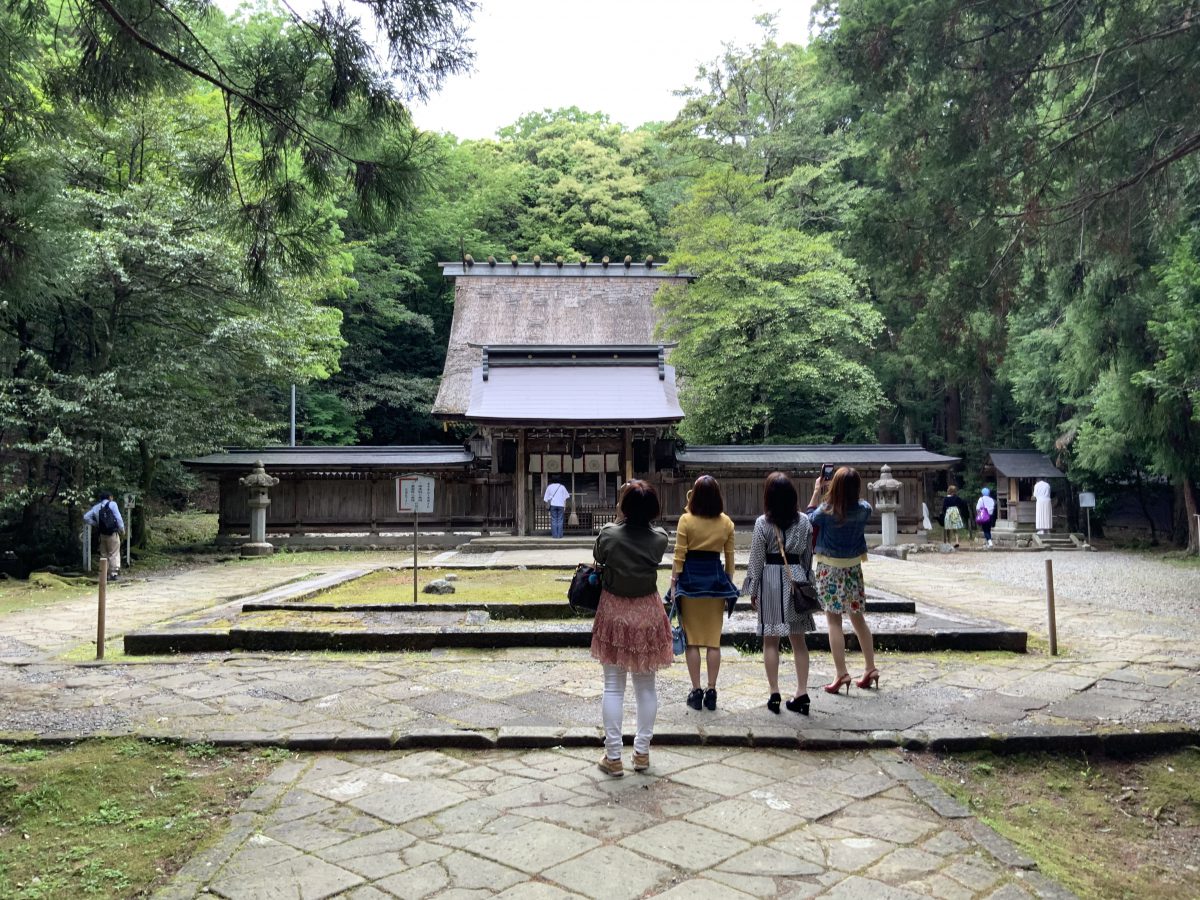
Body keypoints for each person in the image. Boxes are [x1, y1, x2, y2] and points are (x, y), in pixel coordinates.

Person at [590, 480, 672, 777]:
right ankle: (641, 753)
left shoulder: (609, 535)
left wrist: (616, 517)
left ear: (623, 507)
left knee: (613, 687)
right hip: (647, 613)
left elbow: (600, 555)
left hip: (614, 611)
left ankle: (613, 756)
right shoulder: (659, 539)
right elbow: (654, 532)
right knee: (646, 687)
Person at [744, 472, 815, 715]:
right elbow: (808, 557)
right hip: (796, 578)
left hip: (771, 580)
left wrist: (752, 590)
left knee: (770, 640)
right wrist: (806, 582)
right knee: (799, 641)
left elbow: (756, 559)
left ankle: (774, 692)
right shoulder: (805, 521)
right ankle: (802, 692)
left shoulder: (762, 523)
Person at [807, 467, 878, 694]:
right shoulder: (864, 510)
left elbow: (808, 520)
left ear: (834, 486)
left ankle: (841, 673)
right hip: (853, 569)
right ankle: (870, 668)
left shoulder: (826, 511)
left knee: (834, 623)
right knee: (859, 620)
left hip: (830, 569)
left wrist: (818, 491)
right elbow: (860, 505)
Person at [672, 475, 739, 711]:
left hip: (690, 583)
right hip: (715, 583)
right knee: (713, 642)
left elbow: (679, 556)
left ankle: (696, 689)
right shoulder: (726, 523)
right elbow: (730, 560)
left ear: (695, 495)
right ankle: (712, 690)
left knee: (692, 642)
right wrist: (727, 583)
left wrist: (673, 583)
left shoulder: (686, 520)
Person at [84, 491, 126, 580]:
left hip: (102, 534)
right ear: (109, 497)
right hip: (112, 534)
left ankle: (104, 574)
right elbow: (118, 518)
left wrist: (96, 524)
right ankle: (113, 574)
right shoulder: (113, 504)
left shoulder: (96, 507)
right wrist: (122, 529)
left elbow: (86, 517)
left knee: (104, 554)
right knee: (113, 553)